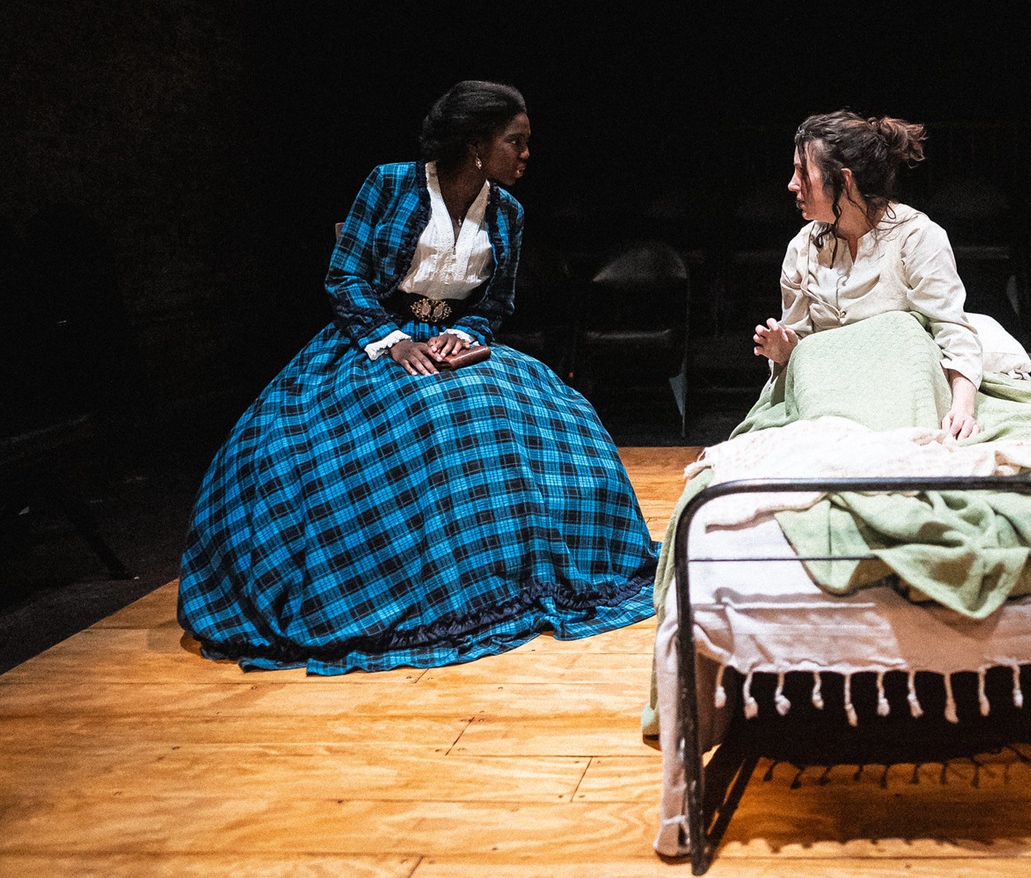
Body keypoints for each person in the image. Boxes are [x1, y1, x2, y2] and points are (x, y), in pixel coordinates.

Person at [179, 81, 657, 673]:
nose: (527, 153)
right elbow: (345, 278)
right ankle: (410, 584)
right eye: (516, 141)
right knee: (425, 416)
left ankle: (515, 573)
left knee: (545, 413)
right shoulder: (389, 185)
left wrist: (469, 334)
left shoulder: (508, 212)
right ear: (476, 145)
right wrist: (394, 341)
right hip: (374, 341)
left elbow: (495, 304)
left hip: (454, 343)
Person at [753, 109, 986, 437]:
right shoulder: (802, 249)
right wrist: (784, 352)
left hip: (902, 387)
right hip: (830, 396)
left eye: (802, 173)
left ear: (844, 180)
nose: (792, 185)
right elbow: (803, 355)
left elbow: (951, 330)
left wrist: (962, 409)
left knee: (904, 329)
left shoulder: (916, 236)